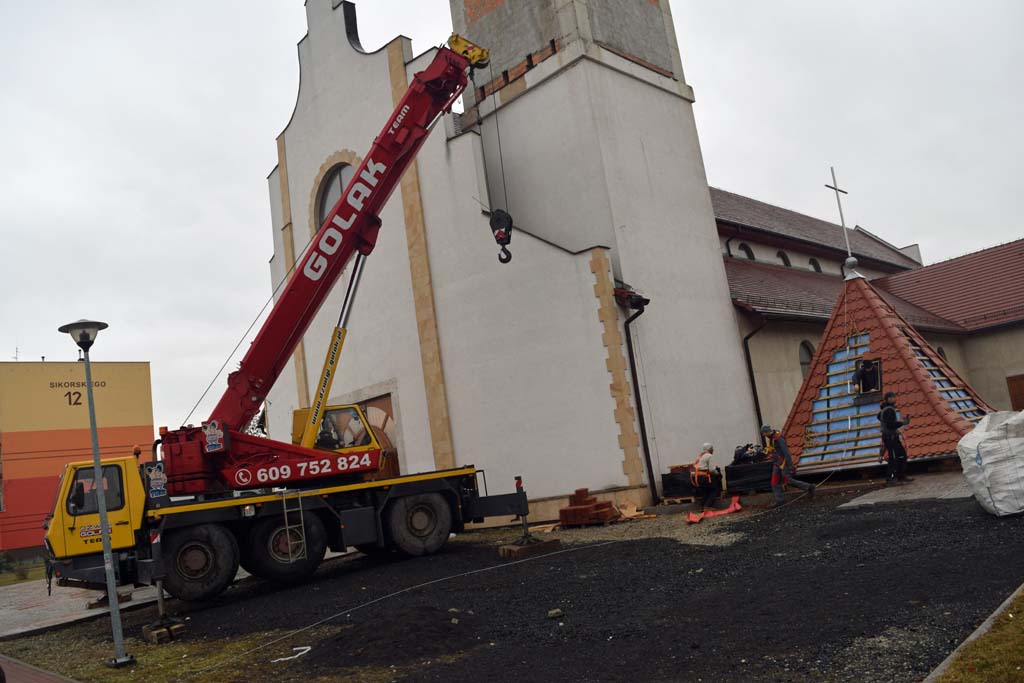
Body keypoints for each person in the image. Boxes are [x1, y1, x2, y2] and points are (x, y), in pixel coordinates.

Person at [761, 425, 815, 507]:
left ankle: (809, 487)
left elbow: (786, 452)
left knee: (787, 480)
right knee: (774, 482)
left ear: (767, 432)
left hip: (783, 463)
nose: (763, 435)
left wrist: (790, 466)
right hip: (777, 463)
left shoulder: (778, 438)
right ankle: (780, 500)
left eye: (764, 433)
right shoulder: (771, 438)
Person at [878, 391, 913, 485]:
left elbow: (881, 418)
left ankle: (900, 475)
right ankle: (891, 478)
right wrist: (902, 423)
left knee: (902, 455)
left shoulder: (885, 409)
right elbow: (890, 424)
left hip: (892, 436)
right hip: (890, 438)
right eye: (893, 397)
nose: (895, 399)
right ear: (889, 399)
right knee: (893, 457)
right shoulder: (889, 410)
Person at [690, 443, 719, 510]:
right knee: (714, 490)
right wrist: (717, 473)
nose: (713, 450)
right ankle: (707, 506)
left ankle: (702, 507)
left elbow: (695, 467)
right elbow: (712, 470)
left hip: (696, 477)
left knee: (705, 491)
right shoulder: (709, 456)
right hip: (704, 477)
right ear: (710, 449)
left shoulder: (699, 456)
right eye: (712, 448)